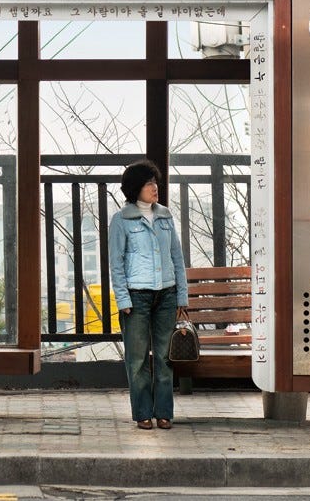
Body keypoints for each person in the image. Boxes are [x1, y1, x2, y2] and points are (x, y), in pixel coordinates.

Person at [109, 159, 188, 430]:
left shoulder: (165, 215)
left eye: (155, 182)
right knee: (138, 359)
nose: (155, 188)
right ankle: (143, 412)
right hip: (136, 297)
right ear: (135, 188)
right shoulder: (121, 220)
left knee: (165, 358)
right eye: (148, 183)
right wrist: (123, 299)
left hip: (166, 294)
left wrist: (181, 297)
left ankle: (164, 412)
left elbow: (177, 258)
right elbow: (116, 263)